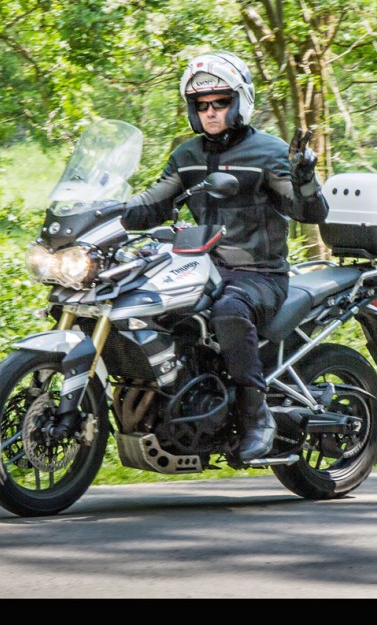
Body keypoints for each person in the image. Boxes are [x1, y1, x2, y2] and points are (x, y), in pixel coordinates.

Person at [121, 51, 329, 461]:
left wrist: (305, 180)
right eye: (202, 105)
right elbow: (153, 202)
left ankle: (257, 416)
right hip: (200, 269)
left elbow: (310, 213)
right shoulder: (187, 157)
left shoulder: (268, 153)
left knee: (229, 310)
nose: (211, 112)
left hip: (260, 275)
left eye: (220, 102)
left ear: (239, 102)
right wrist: (108, 212)